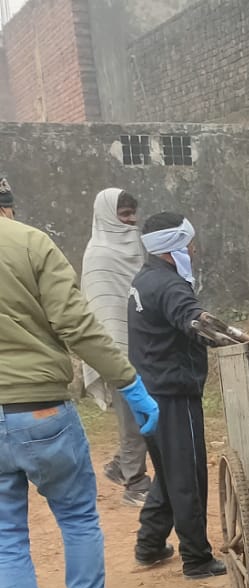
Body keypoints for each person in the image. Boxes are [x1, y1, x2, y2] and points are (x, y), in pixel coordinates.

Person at [0, 172, 147, 588]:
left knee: (5, 534)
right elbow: (76, 323)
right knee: (78, 517)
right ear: (9, 204)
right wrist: (127, 380)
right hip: (41, 409)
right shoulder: (30, 242)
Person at [128, 212, 224, 581]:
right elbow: (195, 320)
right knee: (187, 477)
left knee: (169, 473)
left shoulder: (145, 279)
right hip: (173, 394)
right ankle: (197, 559)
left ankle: (150, 544)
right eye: (188, 243)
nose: (193, 249)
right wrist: (241, 342)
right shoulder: (170, 286)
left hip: (148, 392)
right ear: (173, 248)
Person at [81, 187, 150, 505]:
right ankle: (135, 484)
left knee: (143, 413)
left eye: (133, 214)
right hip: (116, 349)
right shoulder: (98, 255)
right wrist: (114, 355)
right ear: (108, 215)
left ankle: (122, 465)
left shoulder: (135, 247)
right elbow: (101, 308)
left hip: (144, 343)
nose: (131, 221)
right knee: (134, 417)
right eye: (124, 215)